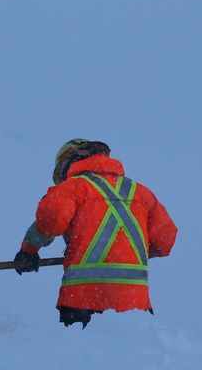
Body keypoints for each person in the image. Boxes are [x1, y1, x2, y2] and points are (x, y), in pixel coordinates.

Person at [13, 138, 178, 327]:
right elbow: (164, 240)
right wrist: (124, 253)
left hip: (83, 301)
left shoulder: (74, 188)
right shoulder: (139, 192)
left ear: (69, 162)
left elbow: (52, 221)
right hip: (135, 304)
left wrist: (28, 252)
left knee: (86, 356)